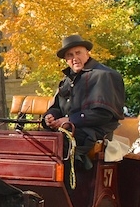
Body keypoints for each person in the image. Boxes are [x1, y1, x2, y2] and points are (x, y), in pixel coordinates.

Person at [42, 34, 125, 169]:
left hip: (92, 134)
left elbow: (104, 114)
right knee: (34, 141)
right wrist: (49, 117)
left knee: (58, 144)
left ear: (87, 53)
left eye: (78, 53)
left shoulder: (103, 75)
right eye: (69, 55)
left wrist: (70, 120)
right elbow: (57, 107)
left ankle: (68, 187)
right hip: (66, 131)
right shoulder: (67, 81)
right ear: (66, 60)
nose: (74, 58)